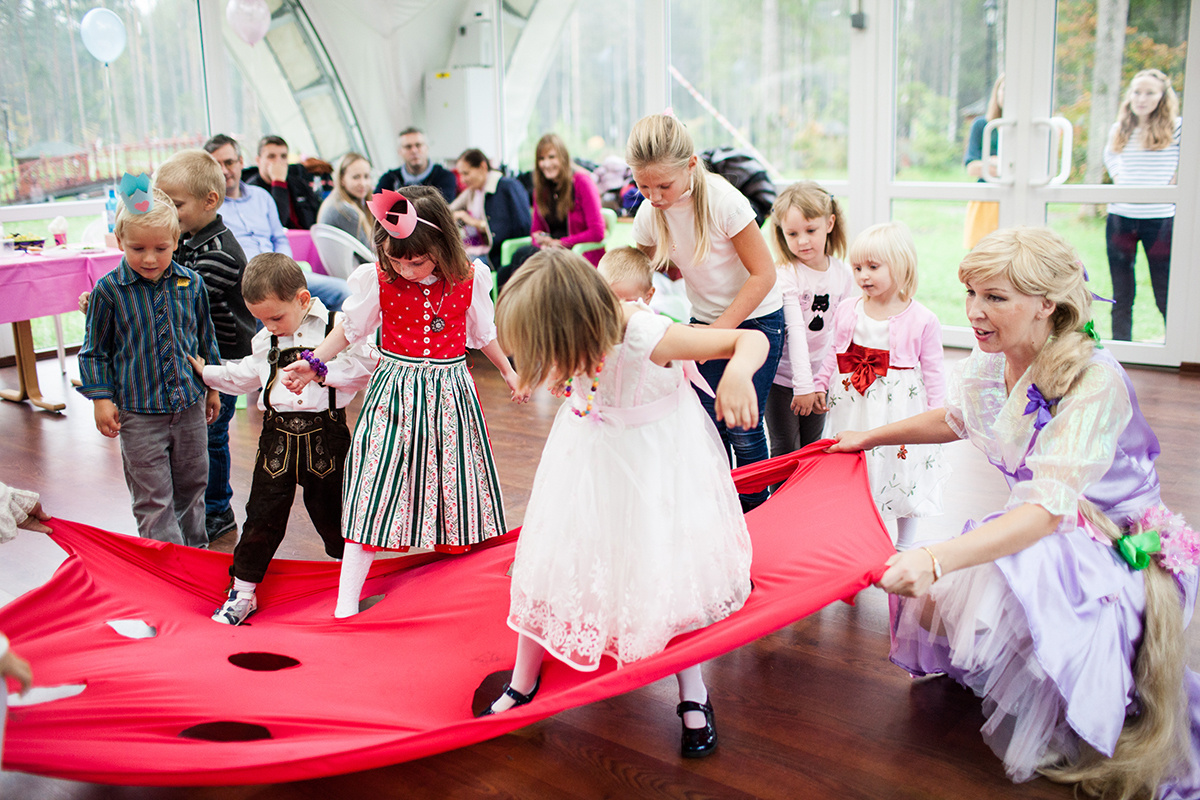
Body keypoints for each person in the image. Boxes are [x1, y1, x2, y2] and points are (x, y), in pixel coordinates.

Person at [828, 226, 1200, 800]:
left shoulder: (1096, 379)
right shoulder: (988, 364)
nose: (974, 313)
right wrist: (870, 436)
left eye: (995, 298)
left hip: (1103, 537)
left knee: (1011, 571)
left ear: (1046, 304)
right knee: (949, 606)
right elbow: (957, 418)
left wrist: (933, 557)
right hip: (1041, 518)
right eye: (971, 294)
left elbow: (1049, 513)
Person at [483, 249, 764, 759]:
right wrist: (531, 375)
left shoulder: (646, 332)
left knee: (662, 567)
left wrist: (739, 373)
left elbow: (751, 338)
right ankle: (524, 678)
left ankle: (693, 693)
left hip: (653, 458)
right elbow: (568, 377)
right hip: (586, 451)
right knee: (554, 557)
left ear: (575, 323)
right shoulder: (575, 337)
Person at [280, 186, 527, 618]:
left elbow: (483, 334)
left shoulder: (471, 278)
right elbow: (351, 329)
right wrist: (312, 360)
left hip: (451, 395)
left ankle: (456, 600)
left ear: (442, 246)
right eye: (396, 259)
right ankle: (345, 602)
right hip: (394, 393)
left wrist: (508, 371)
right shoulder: (378, 279)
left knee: (454, 490)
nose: (406, 269)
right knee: (375, 485)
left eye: (417, 260)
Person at [190, 253, 376, 625]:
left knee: (334, 512)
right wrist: (208, 372)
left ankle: (353, 587)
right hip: (276, 437)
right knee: (261, 515)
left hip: (326, 434)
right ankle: (242, 592)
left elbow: (364, 366)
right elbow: (246, 374)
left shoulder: (337, 328)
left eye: (275, 317)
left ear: (303, 298)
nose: (269, 326)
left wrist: (321, 373)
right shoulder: (265, 338)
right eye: (261, 319)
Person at [626, 113, 782, 511]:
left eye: (664, 185)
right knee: (706, 426)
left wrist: (717, 334)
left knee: (742, 426)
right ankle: (719, 514)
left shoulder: (725, 202)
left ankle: (756, 514)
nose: (655, 196)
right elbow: (635, 270)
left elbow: (764, 275)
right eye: (643, 186)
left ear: (691, 165)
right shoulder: (649, 213)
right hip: (705, 323)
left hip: (757, 319)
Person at [77, 184, 222, 548]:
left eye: (161, 248)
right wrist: (100, 398)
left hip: (189, 408)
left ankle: (197, 556)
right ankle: (169, 566)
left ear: (176, 239)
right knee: (152, 496)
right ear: (120, 239)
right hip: (139, 416)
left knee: (193, 486)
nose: (150, 259)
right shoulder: (108, 292)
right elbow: (94, 350)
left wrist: (213, 386)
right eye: (137, 248)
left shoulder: (192, 284)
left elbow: (206, 339)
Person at [814, 222, 947, 549]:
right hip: (853, 404)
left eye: (873, 267)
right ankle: (856, 538)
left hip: (898, 406)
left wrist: (936, 417)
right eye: (857, 267)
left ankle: (904, 544)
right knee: (857, 467)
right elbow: (836, 350)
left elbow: (933, 371)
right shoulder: (848, 309)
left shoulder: (923, 319)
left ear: (901, 267)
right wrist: (819, 382)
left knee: (901, 467)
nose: (863, 275)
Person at [155, 148, 254, 544]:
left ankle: (217, 510)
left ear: (209, 201)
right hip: (199, 359)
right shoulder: (187, 240)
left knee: (213, 438)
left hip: (223, 362)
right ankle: (196, 505)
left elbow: (175, 299)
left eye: (174, 204)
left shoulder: (219, 254)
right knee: (197, 436)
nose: (166, 211)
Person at [203, 134, 351, 312]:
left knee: (344, 292)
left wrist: (284, 269)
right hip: (246, 282)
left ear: (241, 162)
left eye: (229, 162)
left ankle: (332, 340)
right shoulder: (209, 207)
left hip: (281, 273)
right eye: (216, 165)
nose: (224, 170)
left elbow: (279, 238)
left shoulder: (261, 197)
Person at [765, 181, 852, 458]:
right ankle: (781, 500)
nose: (802, 241)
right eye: (792, 233)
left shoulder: (843, 273)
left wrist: (822, 382)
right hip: (783, 380)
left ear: (830, 223)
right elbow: (796, 330)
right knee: (785, 448)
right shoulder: (786, 274)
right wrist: (803, 386)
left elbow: (842, 334)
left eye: (810, 230)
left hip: (819, 378)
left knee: (812, 447)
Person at [1103, 68, 1180, 341]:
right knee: (1122, 293)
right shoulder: (1120, 127)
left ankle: (1177, 348)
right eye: (1137, 92)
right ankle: (1122, 351)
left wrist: (1173, 181)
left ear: (1162, 97)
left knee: (1164, 289)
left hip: (1160, 219)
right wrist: (1122, 179)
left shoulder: (1177, 127)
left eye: (1149, 93)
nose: (1142, 98)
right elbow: (1111, 157)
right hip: (1121, 218)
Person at [501, 133, 607, 286]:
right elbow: (535, 231)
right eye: (542, 159)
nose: (546, 164)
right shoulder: (541, 190)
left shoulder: (582, 182)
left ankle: (519, 308)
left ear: (563, 157)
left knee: (522, 257)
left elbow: (597, 232)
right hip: (552, 251)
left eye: (551, 157)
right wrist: (542, 241)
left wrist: (561, 243)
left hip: (577, 253)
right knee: (506, 271)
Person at [449, 148, 531, 269]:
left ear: (482, 167)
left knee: (457, 267)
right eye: (460, 174)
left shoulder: (507, 187)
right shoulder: (473, 191)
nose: (462, 179)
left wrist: (472, 222)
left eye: (466, 173)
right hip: (480, 250)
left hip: (497, 255)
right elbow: (447, 210)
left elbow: (519, 228)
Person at [243, 135, 322, 231]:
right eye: (271, 156)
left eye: (283, 156)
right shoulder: (252, 191)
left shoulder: (298, 184)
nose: (278, 161)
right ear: (258, 160)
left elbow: (318, 214)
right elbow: (278, 223)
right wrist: (278, 182)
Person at [963, 74, 1005, 250]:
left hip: (1016, 197)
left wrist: (992, 163)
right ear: (997, 92)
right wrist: (1002, 166)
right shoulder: (982, 125)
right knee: (983, 254)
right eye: (1005, 89)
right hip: (986, 199)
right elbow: (972, 167)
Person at [374, 127, 459, 204]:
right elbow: (377, 206)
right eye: (408, 147)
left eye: (418, 145)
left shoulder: (445, 177)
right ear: (399, 151)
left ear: (427, 148)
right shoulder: (389, 179)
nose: (414, 150)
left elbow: (443, 207)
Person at [317, 152, 375, 260]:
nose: (363, 183)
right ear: (342, 179)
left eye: (366, 176)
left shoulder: (335, 201)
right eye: (356, 177)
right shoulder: (344, 211)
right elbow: (369, 256)